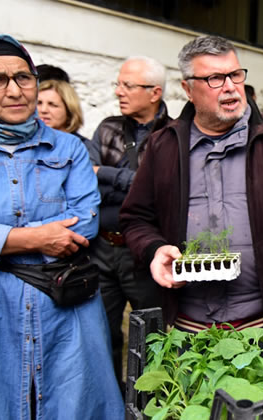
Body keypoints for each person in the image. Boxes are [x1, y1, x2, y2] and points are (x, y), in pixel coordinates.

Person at [0, 34, 122, 418]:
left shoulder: (68, 149)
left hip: (63, 307)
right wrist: (38, 237)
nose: (15, 90)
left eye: (24, 77)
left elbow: (86, 223)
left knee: (71, 403)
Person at [119, 35, 263, 336]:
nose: (230, 86)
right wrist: (154, 249)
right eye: (215, 78)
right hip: (185, 326)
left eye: (235, 74)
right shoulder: (163, 146)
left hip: (257, 327)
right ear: (188, 89)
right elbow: (135, 218)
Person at [86, 55, 170, 388]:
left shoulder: (173, 135)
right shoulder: (107, 127)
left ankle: (149, 402)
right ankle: (109, 402)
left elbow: (160, 192)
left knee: (151, 335)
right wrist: (132, 181)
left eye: (128, 85)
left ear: (154, 92)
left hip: (144, 251)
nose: (118, 91)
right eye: (118, 84)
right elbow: (84, 179)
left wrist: (105, 176)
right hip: (102, 246)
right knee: (103, 335)